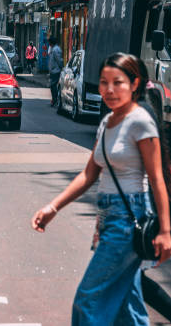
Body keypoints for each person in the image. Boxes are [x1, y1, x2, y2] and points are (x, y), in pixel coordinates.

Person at [32, 52, 171, 325]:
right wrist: (53, 207)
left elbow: (156, 179)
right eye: (103, 82)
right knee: (127, 305)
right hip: (109, 219)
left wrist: (166, 231)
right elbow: (88, 174)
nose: (108, 89)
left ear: (134, 83)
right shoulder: (107, 123)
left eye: (116, 82)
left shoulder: (140, 121)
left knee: (88, 300)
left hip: (128, 220)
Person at [48, 36, 63, 106]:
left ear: (51, 43)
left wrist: (61, 68)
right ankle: (55, 100)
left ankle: (55, 100)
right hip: (53, 70)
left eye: (49, 43)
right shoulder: (54, 49)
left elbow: (59, 60)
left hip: (55, 71)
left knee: (53, 86)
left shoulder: (55, 50)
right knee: (53, 86)